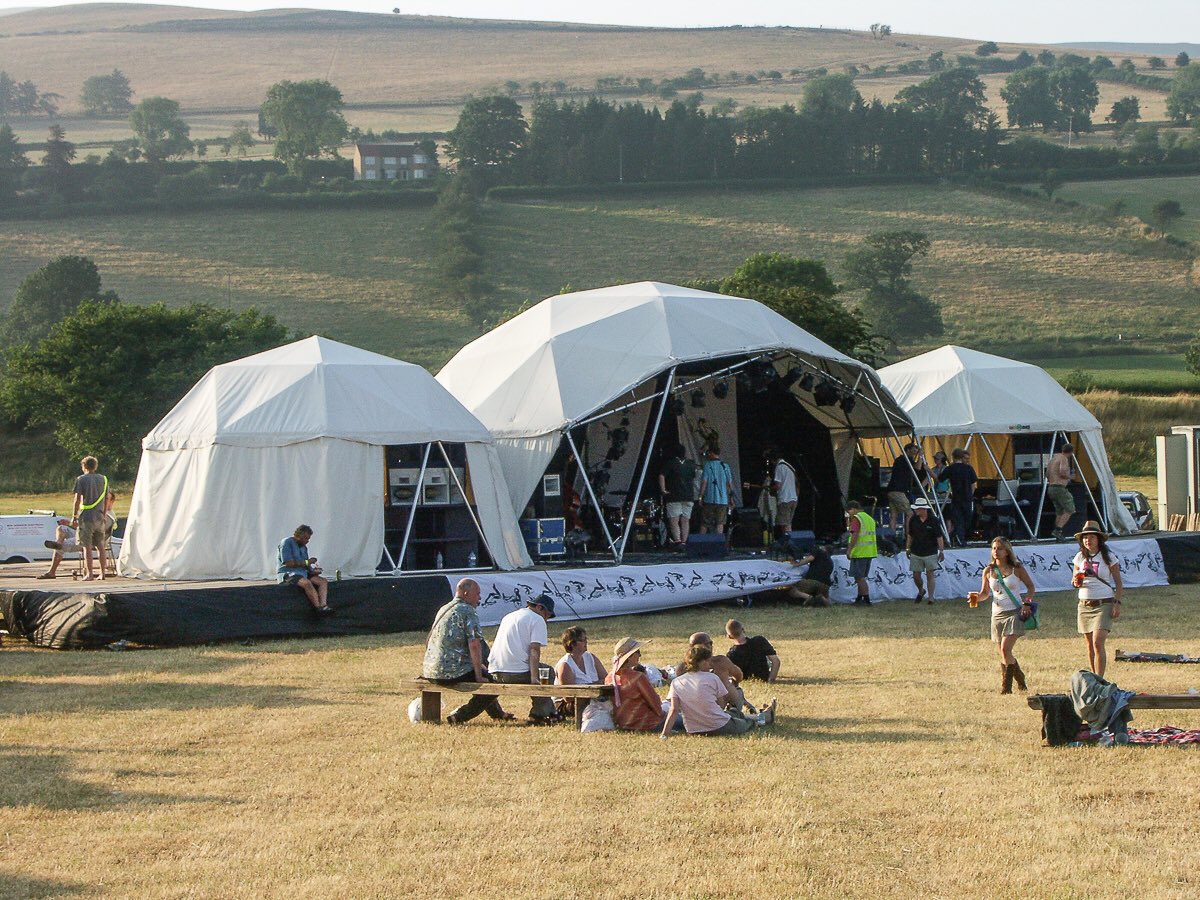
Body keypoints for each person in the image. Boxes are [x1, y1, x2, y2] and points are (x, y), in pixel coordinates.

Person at [421, 578, 512, 724]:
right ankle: (459, 716)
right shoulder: (467, 611)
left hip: (431, 671)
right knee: (493, 683)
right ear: (465, 593)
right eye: (477, 594)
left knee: (485, 675)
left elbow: (429, 638)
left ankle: (498, 714)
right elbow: (474, 645)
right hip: (451, 672)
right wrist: (478, 675)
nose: (480, 598)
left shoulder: (444, 608)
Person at [661, 645, 776, 739]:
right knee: (746, 722)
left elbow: (674, 710)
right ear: (702, 662)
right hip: (718, 726)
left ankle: (742, 713)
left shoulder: (676, 682)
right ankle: (765, 717)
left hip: (694, 730)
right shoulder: (712, 678)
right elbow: (721, 706)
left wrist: (664, 734)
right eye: (707, 662)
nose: (710, 665)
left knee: (734, 714)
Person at [977, 537, 1037, 694]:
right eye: (994, 548)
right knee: (1003, 652)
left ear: (1007, 551)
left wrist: (1027, 603)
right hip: (997, 614)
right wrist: (977, 597)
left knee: (1005, 649)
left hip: (1014, 612)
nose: (996, 551)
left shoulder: (1016, 569)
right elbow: (985, 593)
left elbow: (1031, 587)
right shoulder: (988, 571)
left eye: (1000, 548)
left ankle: (1006, 687)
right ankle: (1020, 679)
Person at [490, 593, 559, 722]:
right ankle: (538, 714)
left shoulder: (509, 616)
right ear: (540, 608)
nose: (546, 620)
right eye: (547, 615)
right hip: (514, 673)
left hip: (495, 670)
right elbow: (534, 650)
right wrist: (534, 677)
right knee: (547, 673)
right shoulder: (537, 619)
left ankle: (552, 711)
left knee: (542, 672)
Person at [1072, 521, 1123, 678]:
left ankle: (1100, 678)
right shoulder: (1079, 557)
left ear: (1098, 539)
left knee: (1097, 642)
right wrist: (1076, 581)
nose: (1088, 540)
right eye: (1085, 537)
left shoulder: (1108, 557)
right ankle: (1094, 677)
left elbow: (1119, 584)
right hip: (1085, 604)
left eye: (1092, 537)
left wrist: (1117, 603)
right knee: (1089, 645)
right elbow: (1074, 580)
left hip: (1104, 602)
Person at [607, 637, 668, 732]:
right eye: (637, 651)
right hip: (648, 723)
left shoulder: (610, 677)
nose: (640, 654)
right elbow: (656, 705)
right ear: (629, 656)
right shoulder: (638, 677)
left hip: (623, 724)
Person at [278, 525, 333, 615]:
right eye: (305, 538)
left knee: (323, 581)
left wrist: (313, 571)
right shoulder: (287, 542)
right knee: (307, 583)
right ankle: (317, 607)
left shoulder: (303, 547)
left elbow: (305, 564)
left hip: (302, 572)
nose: (307, 541)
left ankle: (324, 605)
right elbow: (288, 563)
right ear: (297, 535)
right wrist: (308, 562)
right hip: (289, 572)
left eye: (308, 539)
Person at [554, 625, 608, 718]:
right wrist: (594, 685)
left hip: (593, 698)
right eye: (582, 640)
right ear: (572, 644)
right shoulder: (565, 665)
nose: (586, 642)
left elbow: (607, 679)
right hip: (569, 705)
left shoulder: (590, 657)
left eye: (586, 639)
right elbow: (568, 697)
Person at [72, 456, 109, 581]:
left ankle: (90, 574)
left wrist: (74, 516)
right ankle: (103, 573)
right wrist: (103, 514)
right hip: (100, 517)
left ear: (84, 466)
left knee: (86, 546)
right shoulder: (103, 479)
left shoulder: (81, 479)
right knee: (100, 545)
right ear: (95, 466)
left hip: (86, 517)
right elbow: (106, 499)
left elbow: (77, 500)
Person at [906, 497, 945, 604]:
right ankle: (921, 590)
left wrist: (941, 551)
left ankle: (931, 597)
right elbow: (910, 535)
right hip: (916, 551)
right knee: (916, 575)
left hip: (930, 551)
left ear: (924, 509)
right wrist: (908, 547)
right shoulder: (913, 520)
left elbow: (939, 536)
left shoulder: (934, 520)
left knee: (930, 574)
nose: (916, 511)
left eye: (918, 509)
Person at [658, 443, 697, 547]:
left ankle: (678, 541)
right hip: (688, 495)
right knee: (685, 520)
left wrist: (663, 490)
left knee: (674, 520)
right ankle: (684, 542)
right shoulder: (691, 463)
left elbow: (661, 475)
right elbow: (694, 477)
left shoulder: (670, 463)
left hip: (674, 496)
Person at [886, 443, 927, 534]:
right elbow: (918, 467)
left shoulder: (900, 460)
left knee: (894, 514)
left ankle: (891, 535)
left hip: (892, 490)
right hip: (899, 491)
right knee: (909, 513)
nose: (916, 451)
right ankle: (908, 535)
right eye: (914, 449)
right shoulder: (906, 459)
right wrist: (920, 456)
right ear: (908, 450)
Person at [1047, 443, 1081, 541]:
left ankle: (1057, 533)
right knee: (1070, 508)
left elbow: (1047, 473)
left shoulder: (1053, 459)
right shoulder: (1064, 459)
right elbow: (1062, 472)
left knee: (1060, 511)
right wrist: (1070, 477)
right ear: (1071, 452)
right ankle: (1058, 530)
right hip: (1059, 488)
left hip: (1051, 488)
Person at [698, 444, 734, 536]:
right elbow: (729, 484)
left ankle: (701, 543)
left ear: (711, 453)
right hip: (723, 500)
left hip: (709, 499)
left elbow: (704, 482)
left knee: (705, 523)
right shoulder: (725, 466)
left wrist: (700, 496)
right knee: (720, 523)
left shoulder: (707, 465)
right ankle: (718, 543)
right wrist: (731, 498)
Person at [945, 448, 978, 548]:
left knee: (964, 520)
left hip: (964, 498)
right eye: (966, 458)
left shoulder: (966, 468)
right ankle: (960, 538)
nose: (967, 461)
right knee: (960, 520)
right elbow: (973, 484)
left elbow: (973, 484)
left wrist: (970, 494)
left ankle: (959, 536)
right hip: (960, 499)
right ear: (962, 458)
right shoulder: (966, 469)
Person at [846, 500, 877, 605]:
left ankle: (866, 599)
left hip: (860, 552)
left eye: (849, 511)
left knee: (859, 577)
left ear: (854, 509)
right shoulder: (869, 518)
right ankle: (859, 598)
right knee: (860, 577)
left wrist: (849, 549)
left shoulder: (857, 518)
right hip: (869, 552)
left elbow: (854, 535)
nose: (849, 513)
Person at [769, 448, 799, 536]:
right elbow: (797, 483)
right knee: (788, 523)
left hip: (785, 499)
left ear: (773, 459)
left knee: (785, 525)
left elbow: (778, 486)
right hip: (793, 498)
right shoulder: (790, 466)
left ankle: (789, 544)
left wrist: (771, 488)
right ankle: (788, 543)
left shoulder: (779, 467)